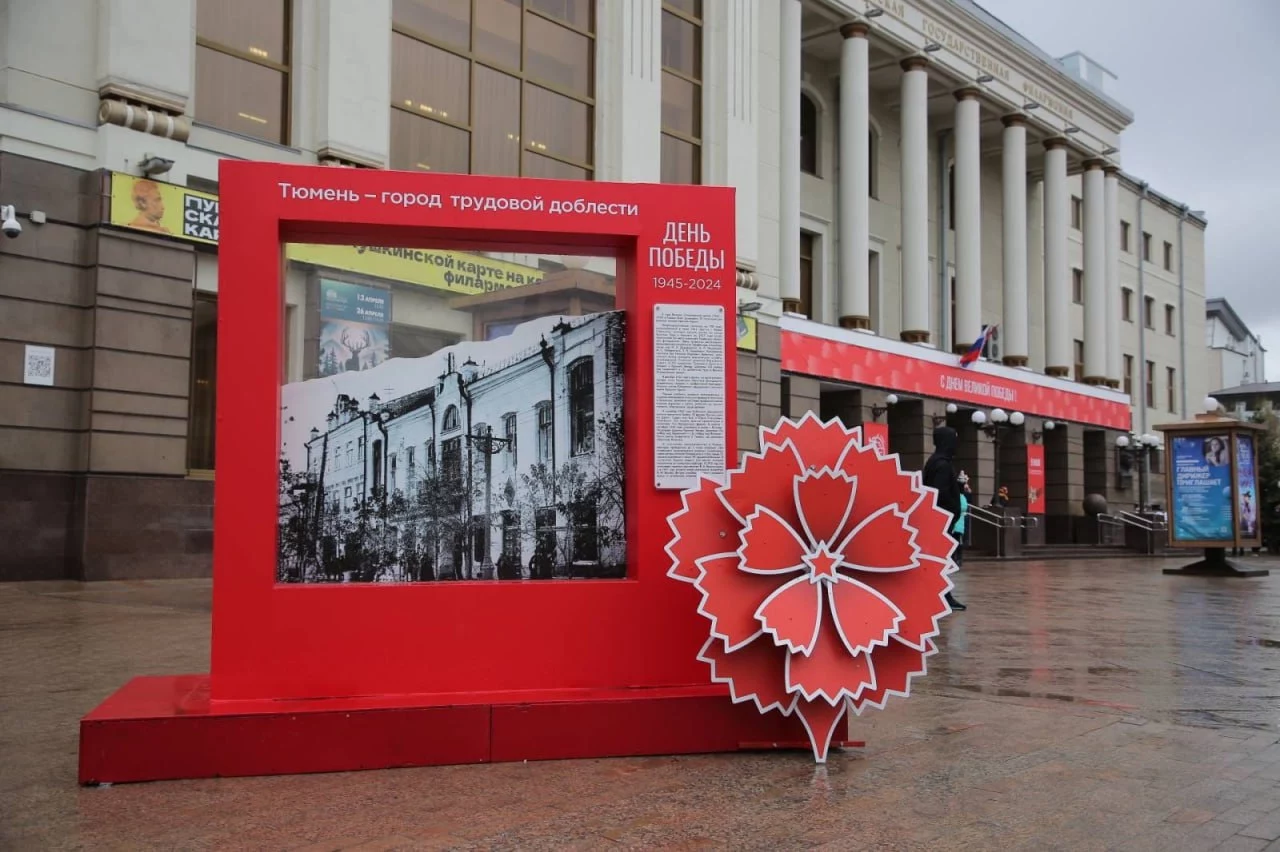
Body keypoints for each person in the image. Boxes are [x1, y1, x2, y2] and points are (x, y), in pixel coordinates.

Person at [923, 425, 966, 611]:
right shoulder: (941, 464)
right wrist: (952, 507)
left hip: (940, 521)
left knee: (941, 559)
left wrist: (956, 486)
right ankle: (943, 596)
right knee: (942, 560)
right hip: (941, 522)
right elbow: (939, 493)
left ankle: (942, 595)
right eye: (954, 439)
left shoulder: (937, 462)